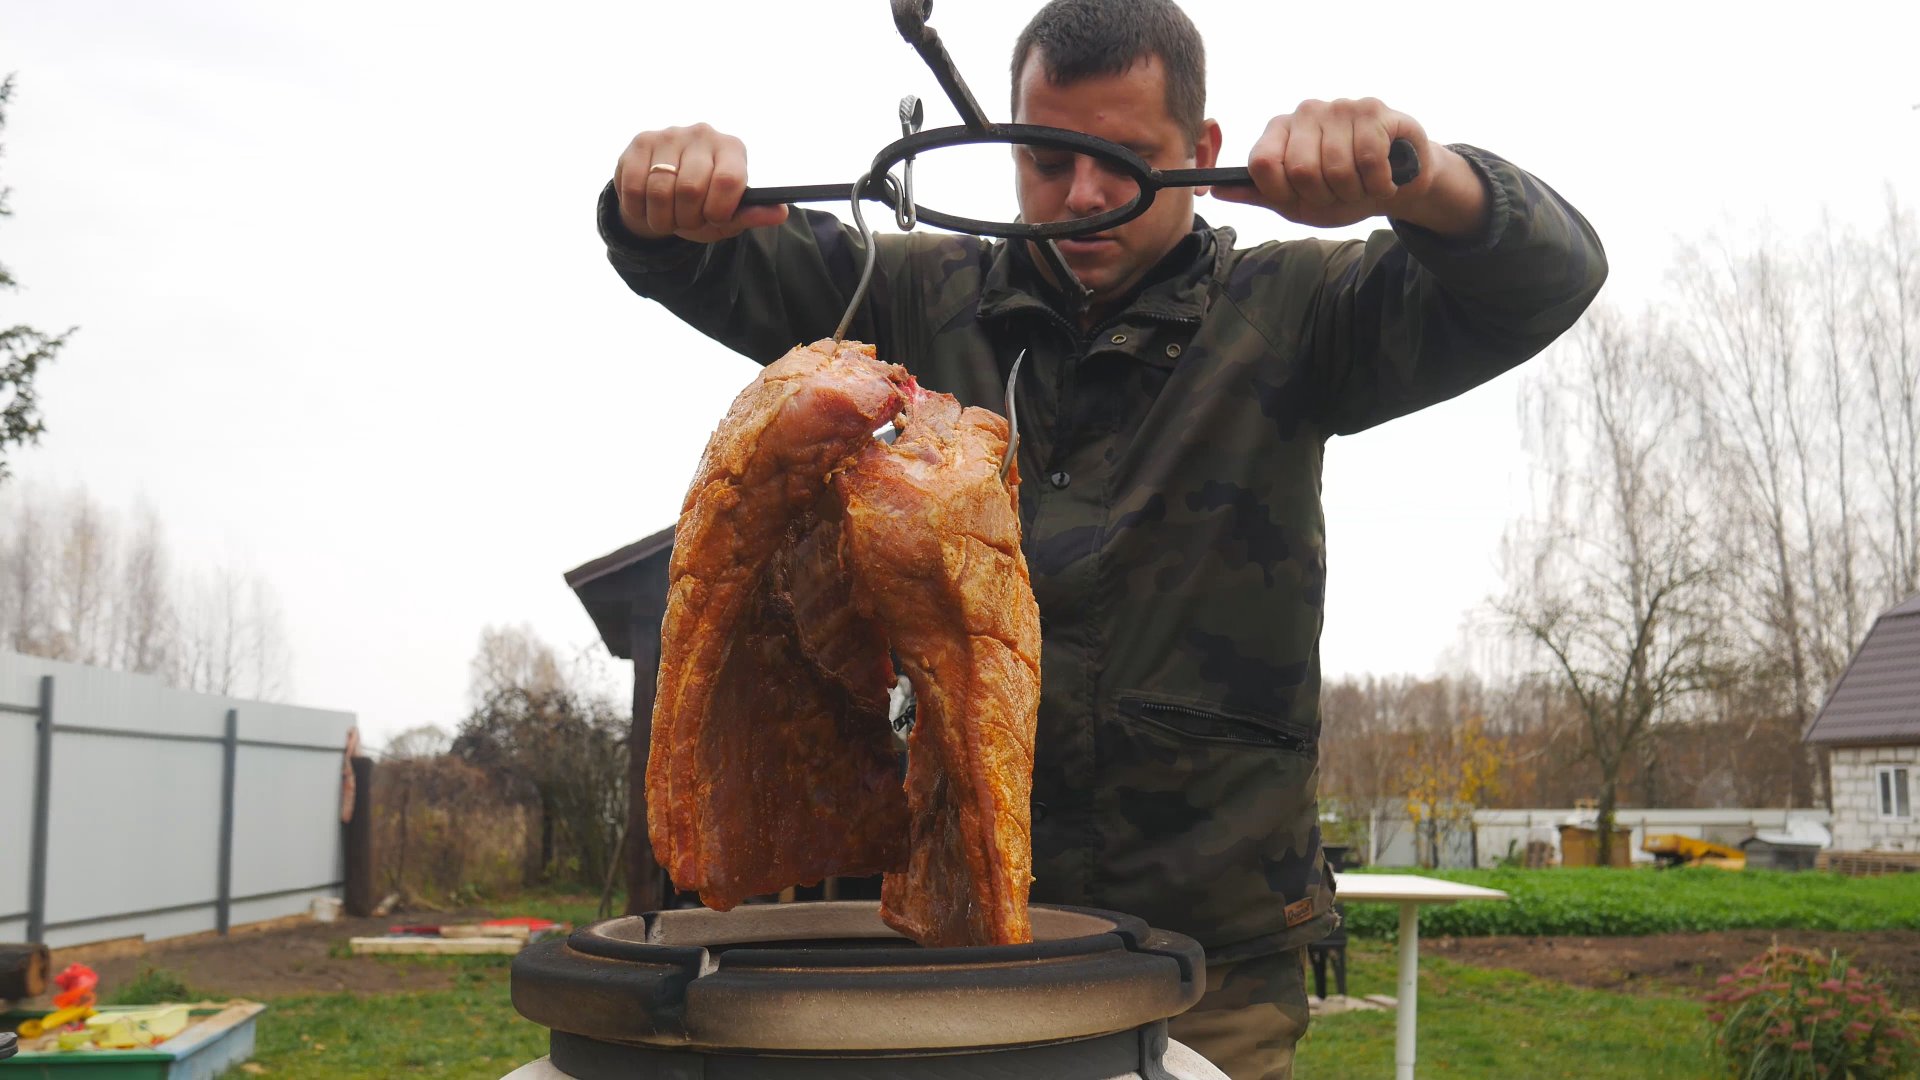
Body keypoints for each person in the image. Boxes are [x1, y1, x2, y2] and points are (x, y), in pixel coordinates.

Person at [597, 1, 1605, 1075]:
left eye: (1123, 161)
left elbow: (1549, 275)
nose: (1081, 196)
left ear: (1201, 152)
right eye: (1047, 160)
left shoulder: (1293, 313)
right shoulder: (910, 296)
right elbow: (693, 256)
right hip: (935, 959)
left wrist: (1426, 179)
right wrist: (658, 196)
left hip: (1206, 965)